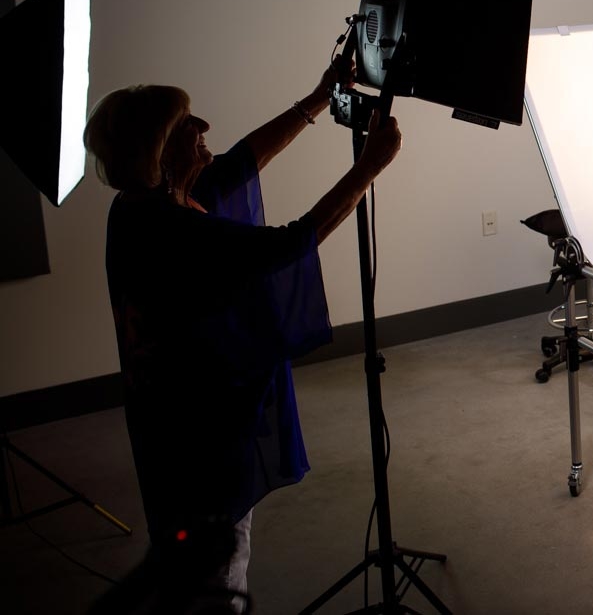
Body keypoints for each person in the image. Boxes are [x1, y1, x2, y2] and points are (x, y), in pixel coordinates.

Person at [83, 57, 402, 614]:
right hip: (195, 437)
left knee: (199, 552)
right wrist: (367, 168)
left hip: (171, 422)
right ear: (158, 152)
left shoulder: (138, 205)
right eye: (186, 123)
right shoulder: (170, 230)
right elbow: (289, 244)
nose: (203, 126)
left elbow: (239, 162)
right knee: (215, 562)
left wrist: (318, 97)